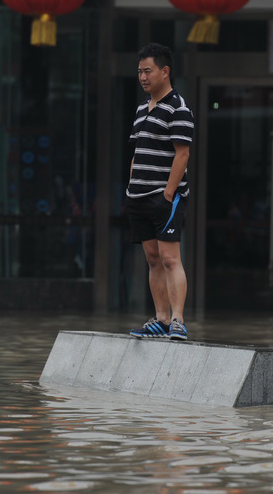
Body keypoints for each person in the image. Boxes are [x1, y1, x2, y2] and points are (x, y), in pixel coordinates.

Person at [125, 43, 194, 341]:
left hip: (164, 196)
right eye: (140, 71)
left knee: (170, 258)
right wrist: (130, 188)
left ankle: (178, 320)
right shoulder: (142, 108)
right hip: (137, 196)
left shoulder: (178, 108)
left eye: (148, 71)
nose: (142, 77)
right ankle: (161, 318)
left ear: (165, 72)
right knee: (152, 258)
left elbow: (182, 155)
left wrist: (168, 194)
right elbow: (137, 152)